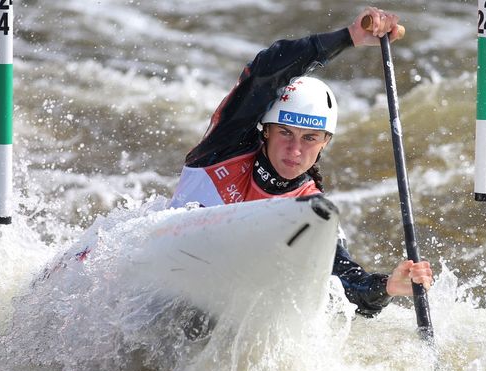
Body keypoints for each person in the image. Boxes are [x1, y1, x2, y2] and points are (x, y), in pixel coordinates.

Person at [169, 6, 433, 317]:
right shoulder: (224, 148)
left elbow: (344, 286)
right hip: (168, 276)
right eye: (285, 133)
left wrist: (388, 286)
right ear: (265, 131)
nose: (294, 150)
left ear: (325, 143)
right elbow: (267, 69)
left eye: (309, 138)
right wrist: (349, 37)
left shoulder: (309, 211)